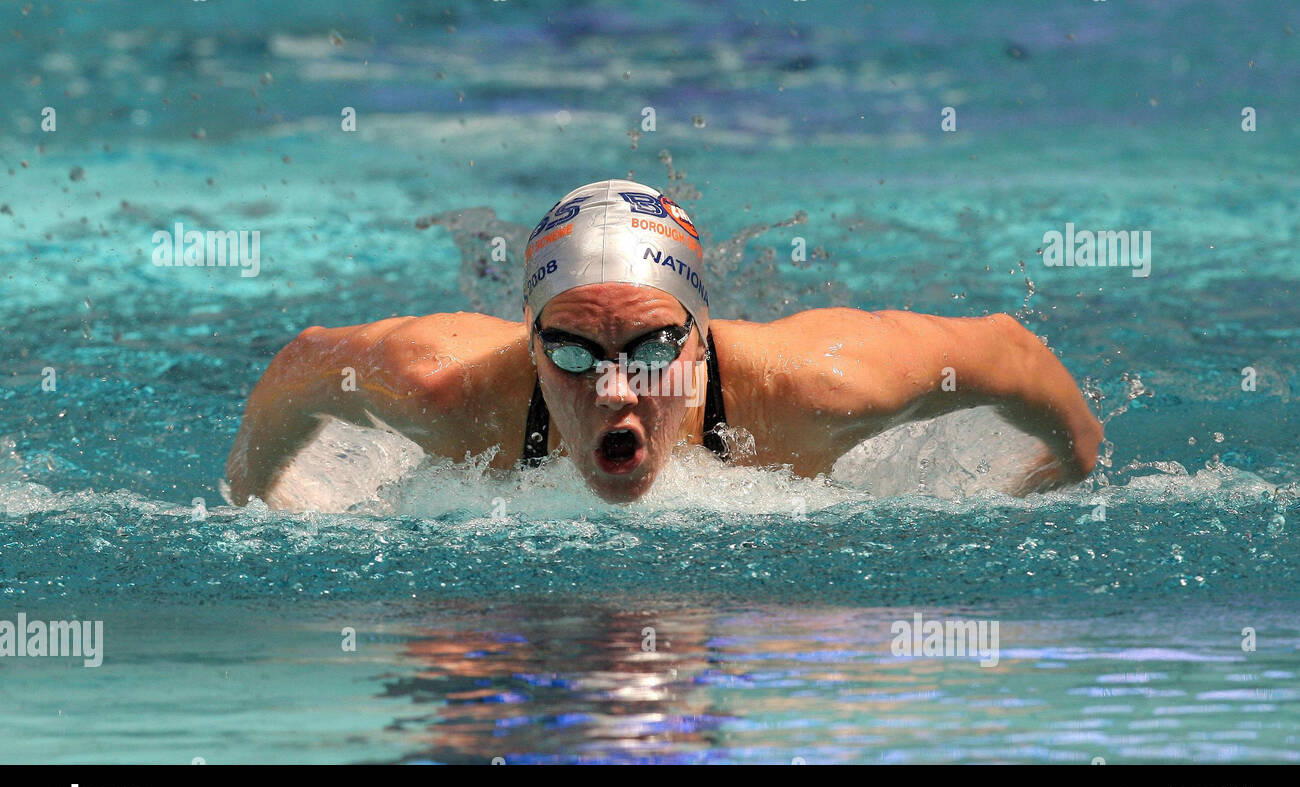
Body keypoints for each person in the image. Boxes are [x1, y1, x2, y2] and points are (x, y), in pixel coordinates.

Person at [225, 179, 1103, 506]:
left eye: (649, 351)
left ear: (702, 339)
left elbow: (1010, 352)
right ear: (529, 346)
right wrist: (261, 496)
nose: (612, 392)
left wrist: (1061, 469)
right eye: (571, 353)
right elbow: (297, 368)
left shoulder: (818, 388)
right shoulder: (443, 386)